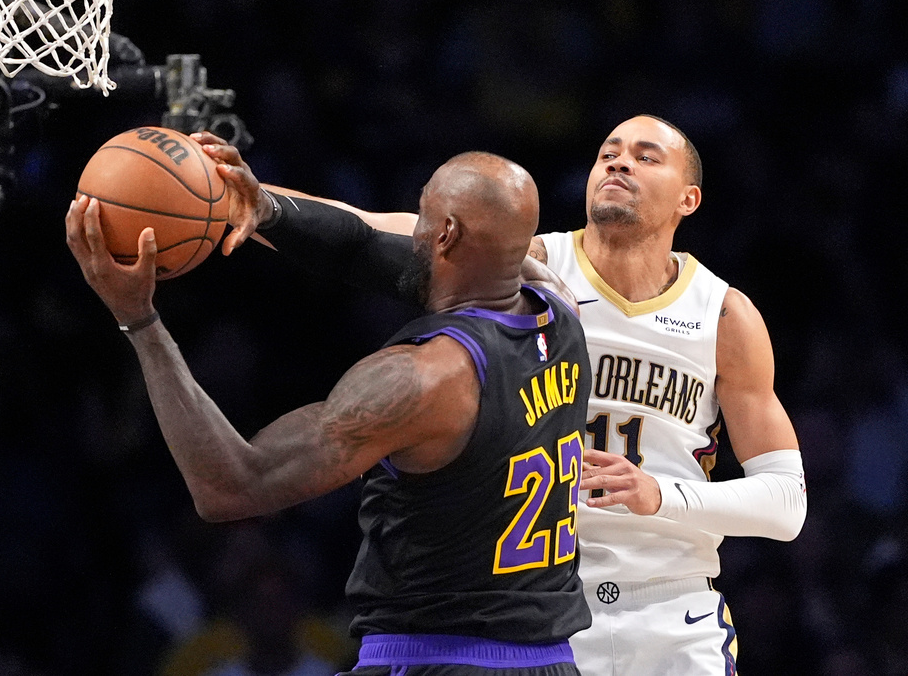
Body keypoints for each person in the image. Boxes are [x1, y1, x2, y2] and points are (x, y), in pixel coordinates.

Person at [191, 114, 807, 675]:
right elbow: (371, 232)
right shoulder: (531, 270)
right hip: (545, 615)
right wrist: (253, 201)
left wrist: (660, 495)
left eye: (646, 157)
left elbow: (786, 503)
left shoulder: (725, 316)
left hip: (672, 611)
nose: (619, 162)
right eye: (608, 153)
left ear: (688, 198)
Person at [66, 151, 594, 674]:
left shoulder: (425, 378)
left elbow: (231, 485)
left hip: (434, 660)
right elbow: (363, 245)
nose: (411, 230)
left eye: (422, 214)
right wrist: (254, 204)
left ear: (447, 234)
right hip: (549, 660)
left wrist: (139, 320)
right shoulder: (562, 311)